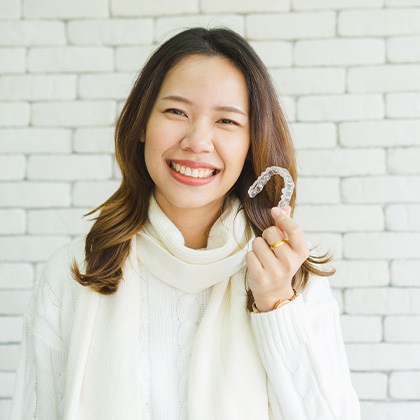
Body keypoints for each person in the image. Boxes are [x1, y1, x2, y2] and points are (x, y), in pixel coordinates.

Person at [10, 27, 360, 419]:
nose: (197, 140)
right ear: (141, 124)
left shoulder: (293, 275)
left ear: (250, 143)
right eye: (176, 112)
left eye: (226, 121)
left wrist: (276, 304)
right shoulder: (74, 273)